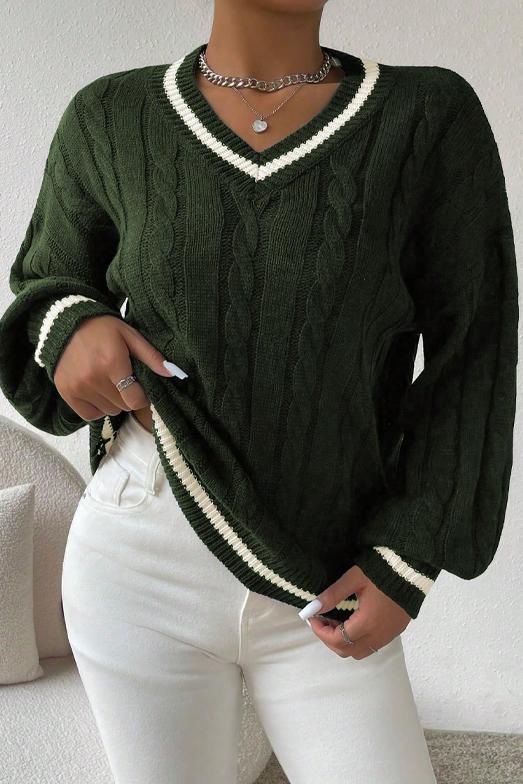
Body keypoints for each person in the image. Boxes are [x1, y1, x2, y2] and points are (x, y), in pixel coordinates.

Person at [0, 1, 518, 782]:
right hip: (138, 554)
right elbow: (46, 281)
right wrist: (73, 323)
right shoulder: (111, 114)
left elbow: (474, 348)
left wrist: (408, 555)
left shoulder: (425, 114)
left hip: (327, 571)